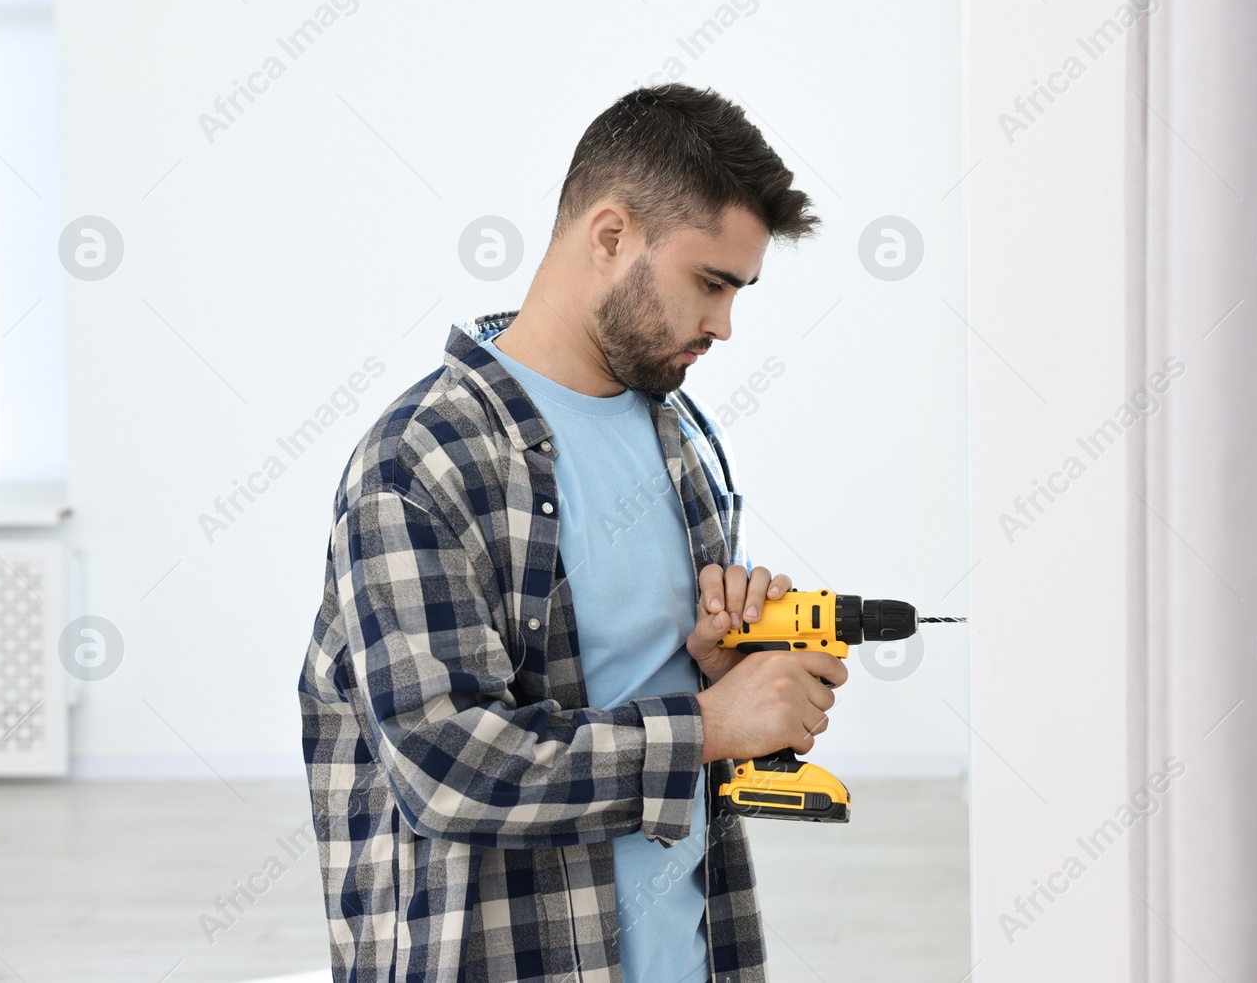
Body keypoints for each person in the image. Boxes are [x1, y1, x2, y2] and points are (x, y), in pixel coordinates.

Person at [298, 83, 847, 983]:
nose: (724, 324)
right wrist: (708, 724)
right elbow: (447, 762)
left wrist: (721, 664)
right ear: (610, 236)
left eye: (739, 291)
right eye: (709, 283)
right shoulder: (421, 461)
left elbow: (645, 692)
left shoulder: (679, 437)